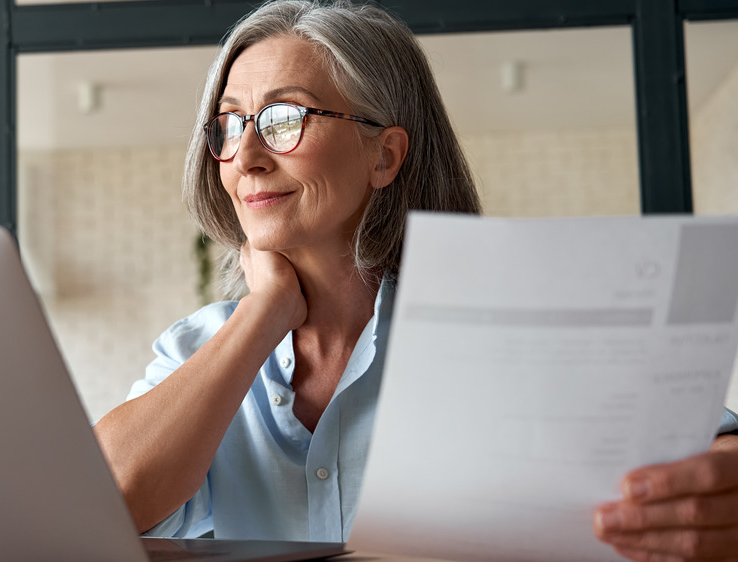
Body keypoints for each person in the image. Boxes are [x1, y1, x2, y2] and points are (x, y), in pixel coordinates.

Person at [93, 1, 738, 560]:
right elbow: (102, 505)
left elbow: (706, 448)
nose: (248, 157)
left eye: (284, 118)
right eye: (231, 124)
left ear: (384, 155)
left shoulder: (500, 321)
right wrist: (264, 310)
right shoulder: (195, 349)